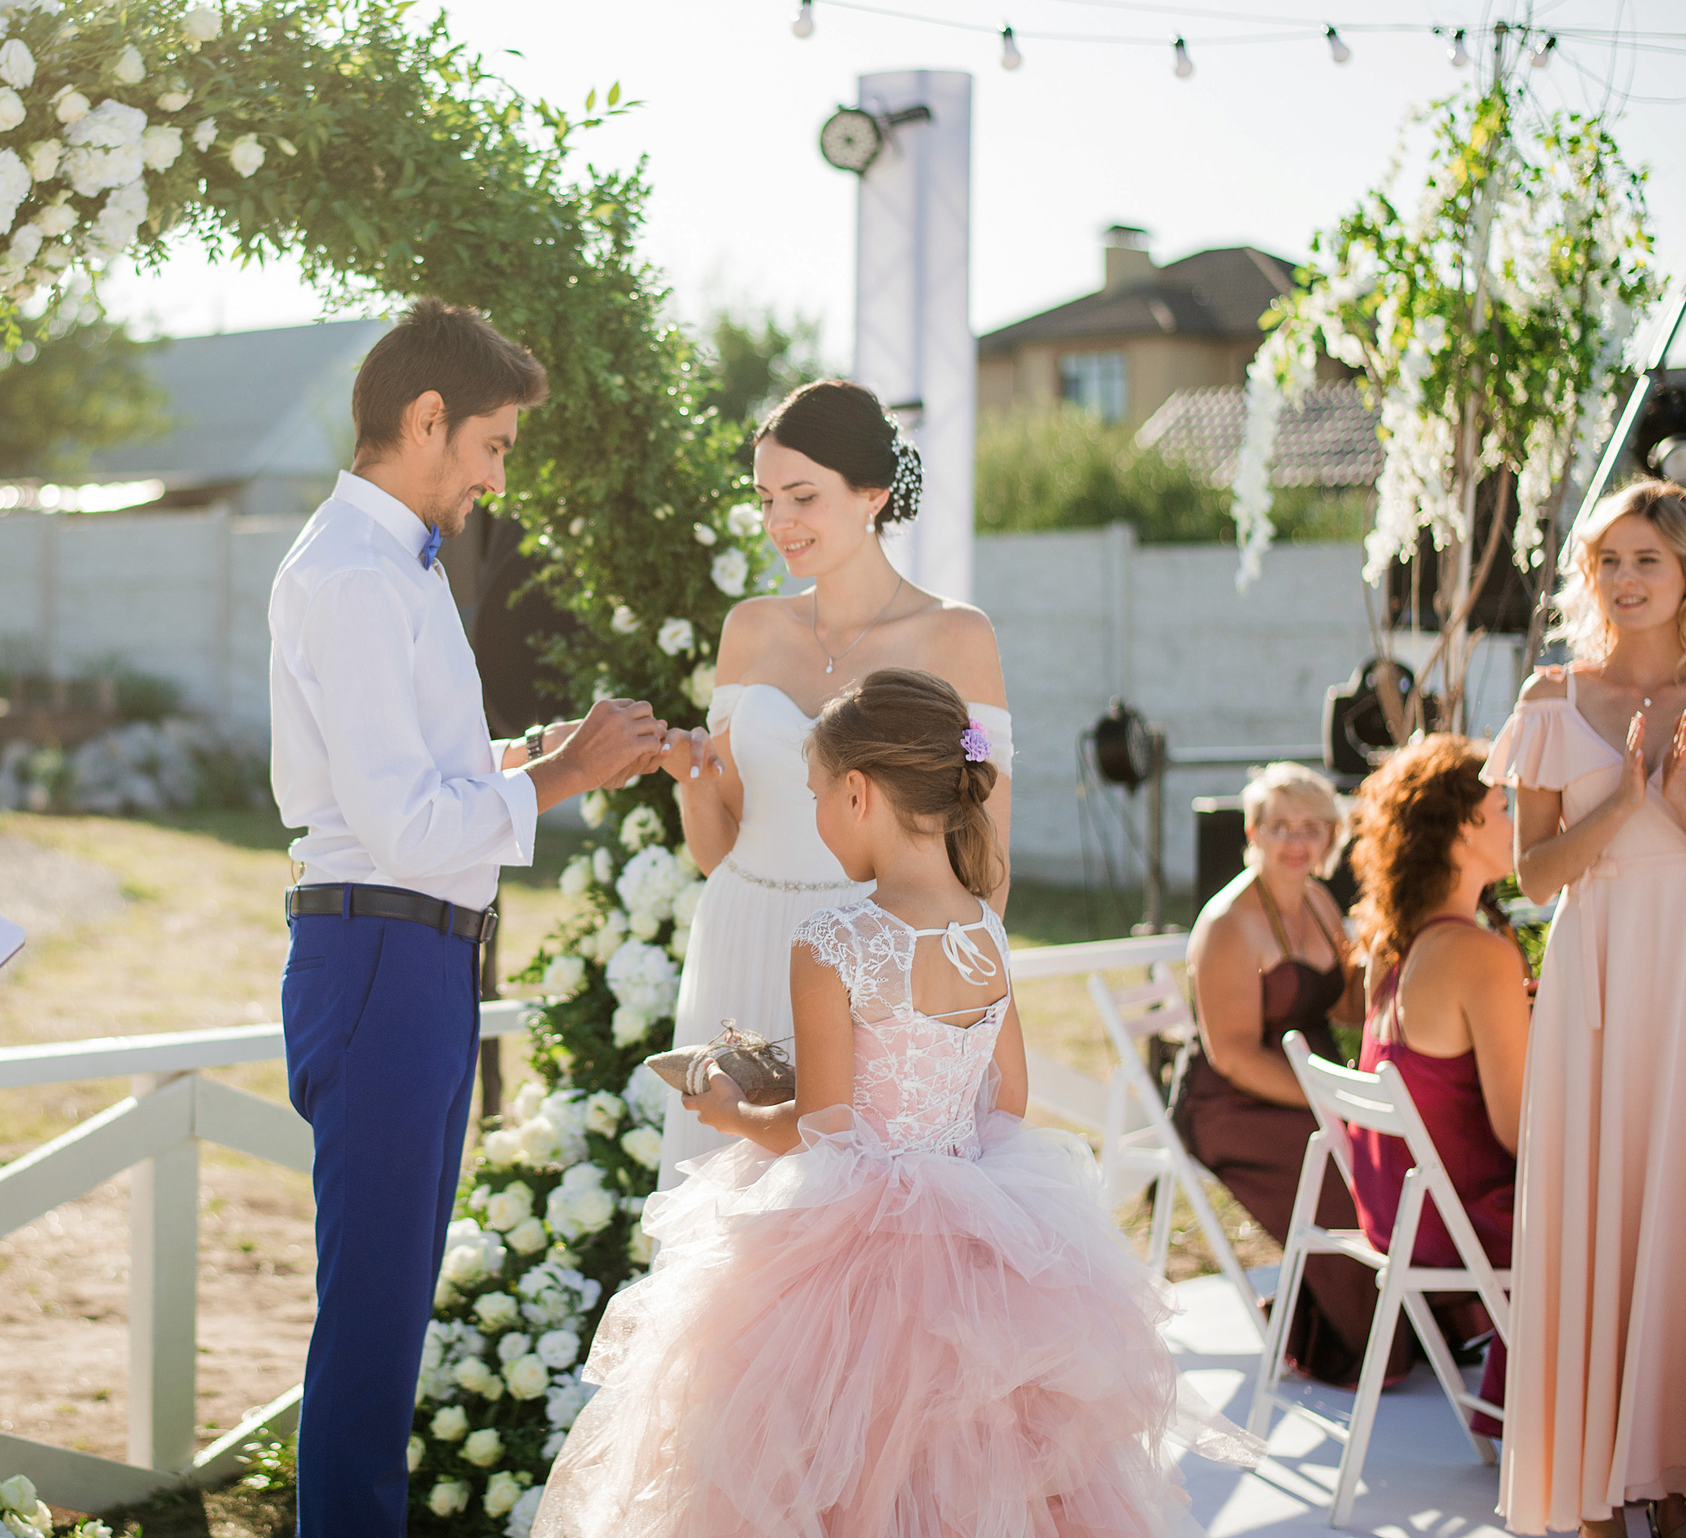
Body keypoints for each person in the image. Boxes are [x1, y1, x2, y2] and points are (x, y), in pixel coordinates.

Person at [536, 669, 1249, 1537]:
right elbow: (1009, 1094)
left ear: (858, 791)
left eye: (814, 799)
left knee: (826, 1464)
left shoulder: (833, 940)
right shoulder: (985, 923)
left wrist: (727, 1111)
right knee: (979, 1477)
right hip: (977, 1236)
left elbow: (822, 1133)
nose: (817, 820)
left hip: (849, 1265)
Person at [267, 297, 668, 1538]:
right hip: (382, 946)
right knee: (372, 1326)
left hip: (415, 955)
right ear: (425, 419)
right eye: (492, 445)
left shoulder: (395, 566)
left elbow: (420, 781)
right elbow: (402, 825)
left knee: (389, 1313)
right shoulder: (348, 574)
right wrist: (562, 775)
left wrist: (524, 753)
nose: (497, 476)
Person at [1482, 479, 1686, 1538]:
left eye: (1645, 556)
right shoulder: (1551, 701)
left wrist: (1685, 797)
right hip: (1595, 984)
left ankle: (1679, 1475)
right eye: (1606, 558)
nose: (1622, 577)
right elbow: (1536, 873)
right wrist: (1624, 796)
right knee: (1593, 1211)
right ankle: (1593, 1484)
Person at [648, 380, 1011, 1191]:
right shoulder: (749, 629)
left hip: (879, 969)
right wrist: (692, 783)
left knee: (858, 1214)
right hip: (744, 936)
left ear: (873, 493)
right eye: (766, 498)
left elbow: (987, 867)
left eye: (803, 495)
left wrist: (918, 1015)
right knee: (727, 1234)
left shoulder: (957, 635)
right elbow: (720, 850)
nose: (780, 522)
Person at [1168, 761, 1382, 1384]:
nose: (1296, 841)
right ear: (1254, 832)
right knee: (1344, 1164)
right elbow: (1231, 1053)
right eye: (1281, 826)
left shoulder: (1316, 900)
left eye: (1313, 827)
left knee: (1388, 1151)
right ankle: (1353, 1337)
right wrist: (1334, 1101)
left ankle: (1403, 1318)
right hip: (1232, 1101)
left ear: (1331, 840)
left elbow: (1341, 1001)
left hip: (1306, 1082)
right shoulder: (1228, 924)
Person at [1342, 732, 1529, 1440]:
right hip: (1463, 1224)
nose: (1514, 820)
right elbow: (1521, 1133)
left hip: (1395, 1215)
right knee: (1624, 1203)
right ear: (1462, 827)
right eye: (1502, 804)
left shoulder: (1393, 943)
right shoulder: (1480, 954)